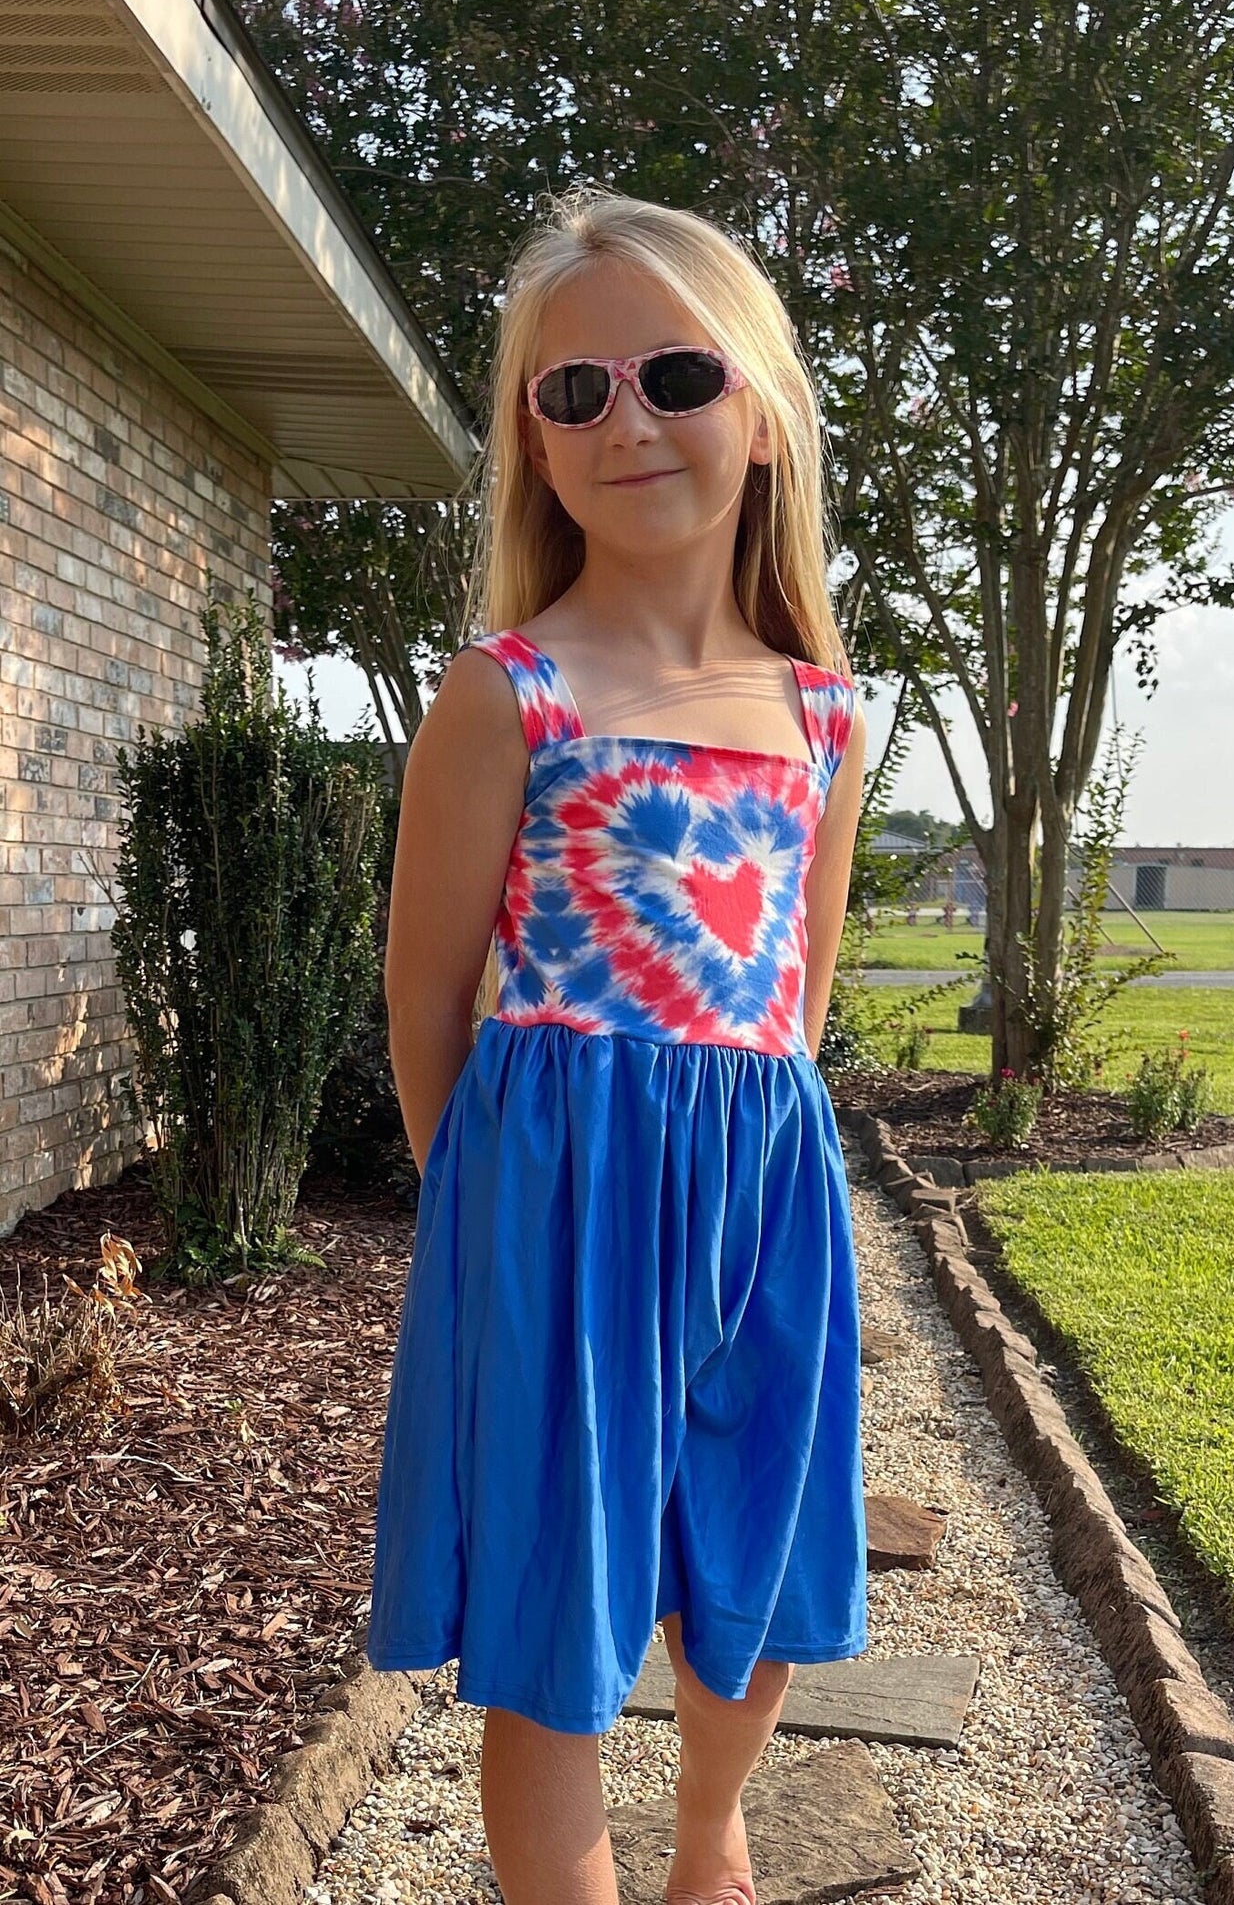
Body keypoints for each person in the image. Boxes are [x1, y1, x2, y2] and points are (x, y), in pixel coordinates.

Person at [366, 184, 869, 1905]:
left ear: (763, 412)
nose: (623, 420)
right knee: (560, 1611)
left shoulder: (819, 712)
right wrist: (496, 1217)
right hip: (553, 1204)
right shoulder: (506, 692)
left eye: (672, 373)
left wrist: (745, 1131)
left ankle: (713, 1832)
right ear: (534, 440)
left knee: (759, 1541)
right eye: (570, 393)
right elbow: (426, 998)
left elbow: (798, 978)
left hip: (761, 1185)